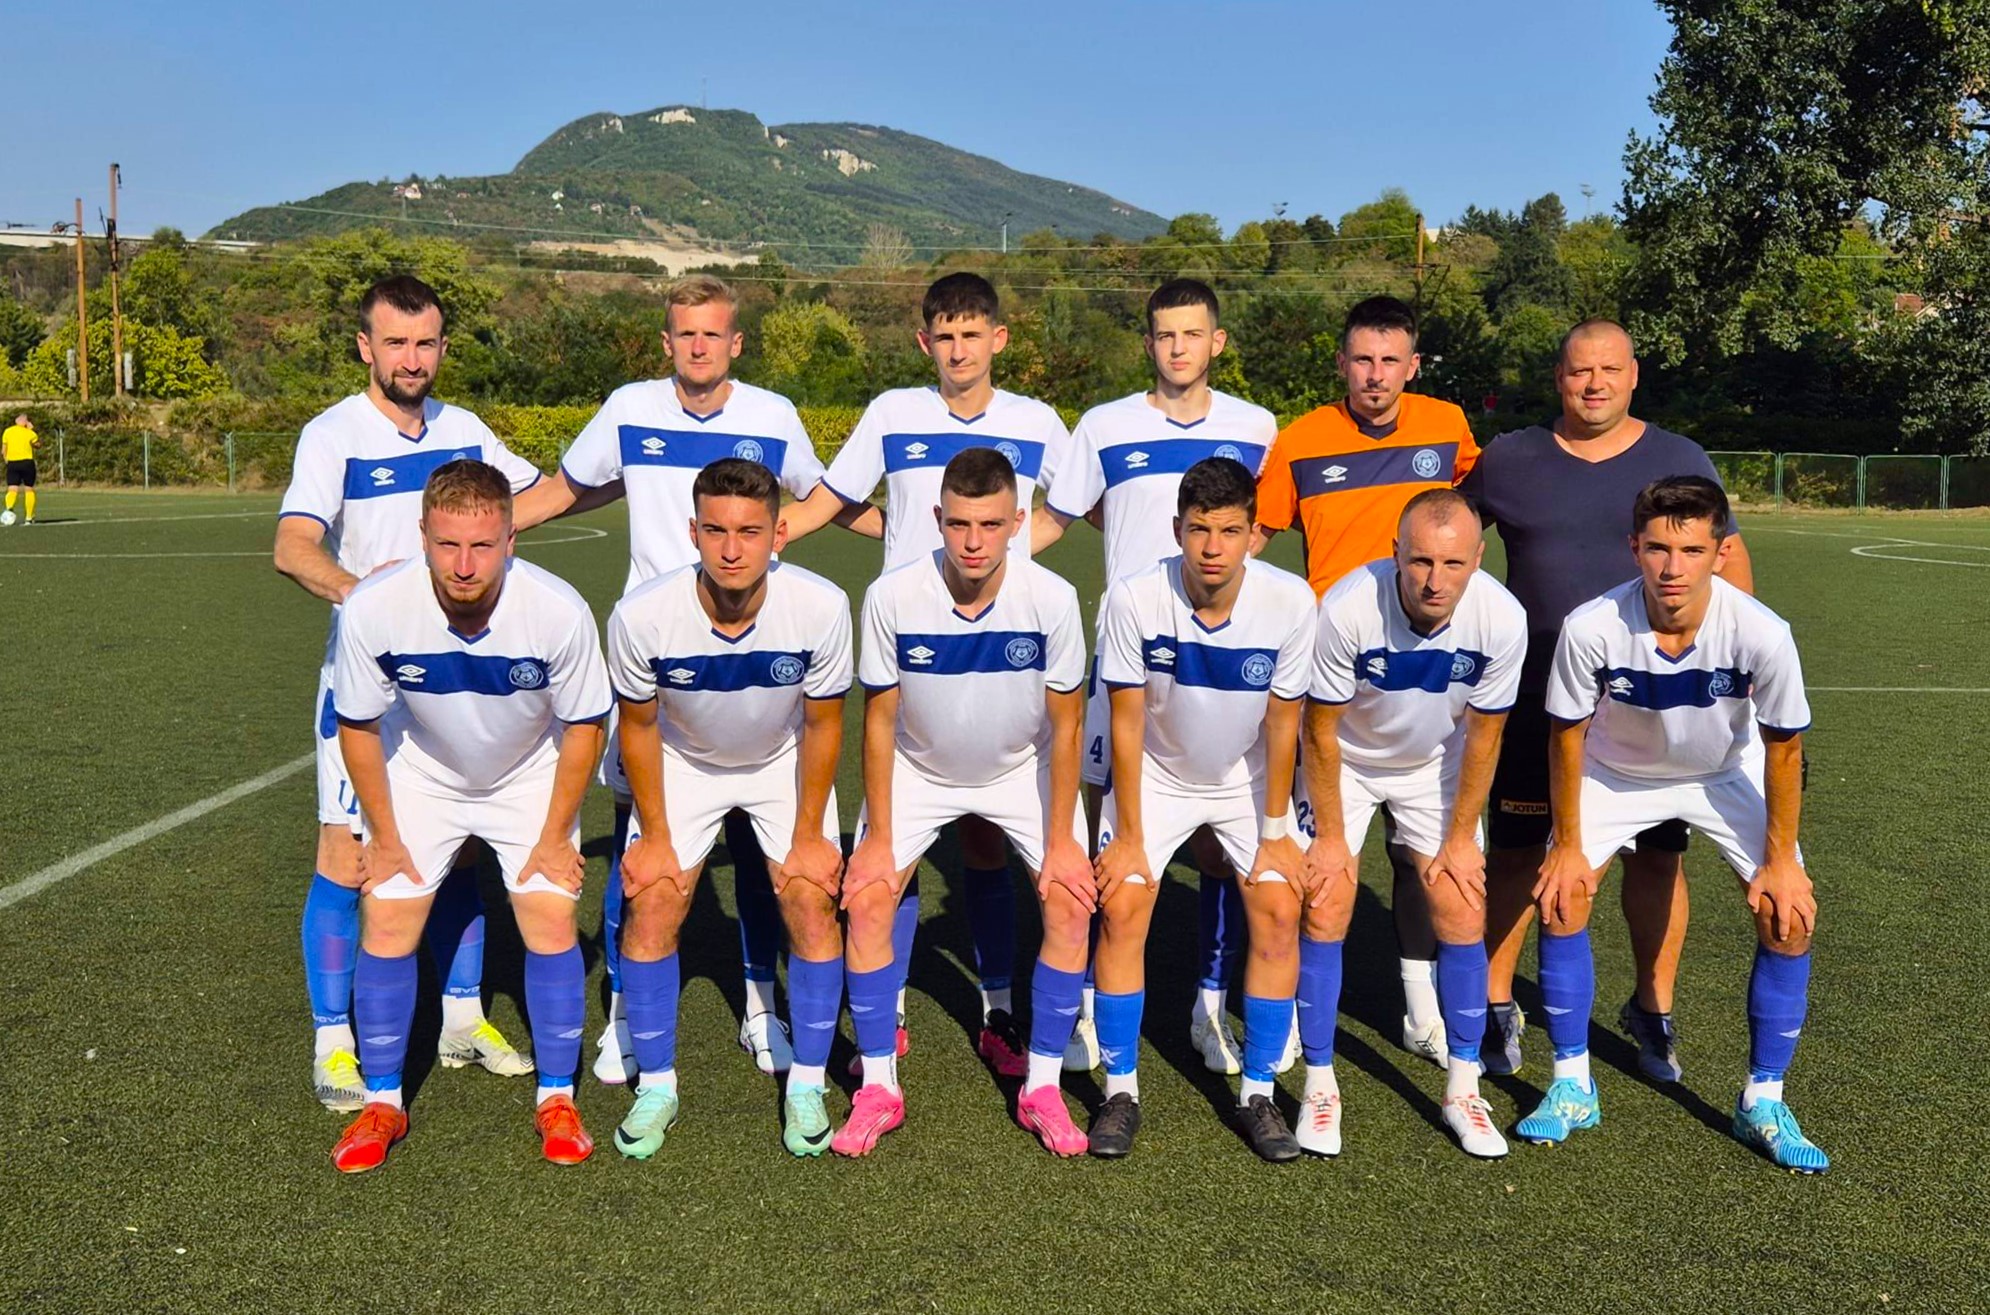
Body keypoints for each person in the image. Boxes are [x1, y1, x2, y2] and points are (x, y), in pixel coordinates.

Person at [514, 274, 866, 1085]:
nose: (699, 345)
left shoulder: (772, 415)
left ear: (735, 342)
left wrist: (897, 534)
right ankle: (623, 1014)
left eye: (713, 333)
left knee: (760, 845)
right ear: (666, 341)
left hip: (751, 648)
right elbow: (562, 489)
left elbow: (821, 496)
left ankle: (761, 1005)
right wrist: (484, 531)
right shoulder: (629, 407)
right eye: (686, 333)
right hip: (658, 656)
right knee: (638, 844)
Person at [785, 271, 1071, 1077]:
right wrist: (780, 533)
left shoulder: (1036, 422)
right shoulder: (891, 413)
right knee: (893, 836)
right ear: (924, 342)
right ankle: (894, 1002)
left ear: (998, 339)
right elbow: (832, 496)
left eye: (972, 334)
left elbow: (1078, 504)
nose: (958, 349)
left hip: (998, 647)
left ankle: (997, 1004)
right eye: (944, 336)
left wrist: (1012, 556)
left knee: (983, 836)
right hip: (910, 648)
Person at [1459, 319, 1755, 1081]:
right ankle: (1496, 1003)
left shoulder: (1678, 457)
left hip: (1651, 702)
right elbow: (1450, 535)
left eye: (1609, 370)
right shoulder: (1511, 456)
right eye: (1579, 370)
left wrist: (1737, 670)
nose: (1594, 384)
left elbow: (1729, 559)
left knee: (1654, 857)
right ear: (1558, 376)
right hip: (1535, 695)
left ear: (1634, 375)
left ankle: (1652, 1009)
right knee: (1519, 852)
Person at [275, 275, 542, 1113]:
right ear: (366, 346)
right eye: (395, 342)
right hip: (368, 684)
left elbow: (535, 497)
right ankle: (333, 1041)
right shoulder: (333, 435)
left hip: (454, 683)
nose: (412, 359)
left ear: (443, 348)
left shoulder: (466, 431)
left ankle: (460, 1019)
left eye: (425, 343)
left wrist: (622, 469)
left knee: (459, 845)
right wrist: (365, 596)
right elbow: (292, 546)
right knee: (346, 853)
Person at [1522, 476, 1826, 1173]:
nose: (1672, 567)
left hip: (1723, 772)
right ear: (1634, 547)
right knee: (1562, 897)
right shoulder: (1591, 626)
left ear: (1720, 553)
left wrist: (1781, 860)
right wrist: (1567, 845)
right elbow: (1565, 737)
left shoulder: (1762, 631)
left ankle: (1763, 1100)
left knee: (1788, 916)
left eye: (1691, 550)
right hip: (1615, 772)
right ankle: (1572, 1085)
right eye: (1658, 548)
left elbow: (1784, 749)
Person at [326, 461, 611, 1171]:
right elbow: (358, 726)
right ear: (422, 535)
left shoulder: (558, 610)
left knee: (548, 917)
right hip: (421, 773)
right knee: (388, 920)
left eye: (482, 545)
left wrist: (556, 835)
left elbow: (584, 725)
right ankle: (383, 1102)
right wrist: (382, 835)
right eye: (447, 544)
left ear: (511, 540)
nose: (463, 564)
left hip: (529, 775)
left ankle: (557, 1097)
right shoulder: (374, 607)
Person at [1035, 278, 1281, 1076]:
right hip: (1127, 661)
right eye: (1165, 334)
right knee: (1105, 834)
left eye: (1193, 333)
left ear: (1218, 341)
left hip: (1217, 663)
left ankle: (1208, 1005)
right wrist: (971, 565)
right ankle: (1084, 1000)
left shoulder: (1255, 426)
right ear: (1148, 343)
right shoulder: (1104, 424)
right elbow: (1061, 516)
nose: (1179, 347)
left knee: (1220, 847)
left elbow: (1259, 530)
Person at [837, 448, 1094, 1157]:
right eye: (958, 524)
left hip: (1021, 769)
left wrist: (1063, 841)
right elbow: (879, 721)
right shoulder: (892, 595)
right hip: (920, 769)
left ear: (1017, 521)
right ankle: (878, 1087)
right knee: (867, 896)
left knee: (1070, 901)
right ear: (936, 518)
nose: (973, 541)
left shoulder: (1052, 598)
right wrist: (878, 839)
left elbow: (1068, 724)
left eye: (989, 524)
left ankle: (1042, 1087)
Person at [1255, 294, 1483, 1070]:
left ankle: (1421, 1006)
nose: (1376, 375)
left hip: (1425, 675)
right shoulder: (1300, 440)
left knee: (1423, 859)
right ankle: (1293, 1012)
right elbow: (1256, 534)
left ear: (1412, 366)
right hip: (1335, 679)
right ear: (1341, 364)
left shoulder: (1448, 427)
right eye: (1362, 359)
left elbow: (1473, 515)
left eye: (1390, 360)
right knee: (1321, 861)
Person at [604, 459, 852, 1159]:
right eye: (716, 531)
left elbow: (824, 724)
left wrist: (809, 834)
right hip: (684, 760)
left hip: (780, 758)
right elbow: (639, 728)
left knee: (810, 898)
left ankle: (807, 1084)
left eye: (749, 532)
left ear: (778, 534)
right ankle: (657, 1086)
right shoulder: (641, 615)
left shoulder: (822, 606)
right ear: (693, 533)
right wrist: (655, 836)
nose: (732, 549)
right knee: (654, 897)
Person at [1088, 458, 1313, 1162]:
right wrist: (1129, 835)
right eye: (1199, 530)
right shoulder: (1133, 597)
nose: (1213, 547)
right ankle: (1119, 1090)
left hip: (1247, 778)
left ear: (1254, 533)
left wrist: (1274, 833)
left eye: (1230, 531)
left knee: (1278, 908)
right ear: (1176, 529)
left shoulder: (1291, 601)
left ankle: (1258, 1093)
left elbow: (1284, 724)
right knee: (1123, 903)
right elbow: (1126, 721)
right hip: (1157, 773)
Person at [1300, 490, 1524, 1160]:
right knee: (1325, 902)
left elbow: (1485, 737)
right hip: (1349, 761)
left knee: (1462, 905)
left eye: (1453, 563)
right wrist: (1332, 840)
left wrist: (1460, 839)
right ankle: (1318, 1084)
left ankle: (1462, 1088)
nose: (1434, 579)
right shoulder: (1347, 607)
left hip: (1435, 765)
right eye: (1421, 560)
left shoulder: (1501, 618)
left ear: (1478, 558)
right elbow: (1320, 730)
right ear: (1395, 552)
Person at [4, 415, 39, 525]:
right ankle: (29, 517)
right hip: (27, 463)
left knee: (12, 489)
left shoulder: (8, 431)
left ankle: (9, 509)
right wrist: (32, 430)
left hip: (12, 463)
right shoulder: (30, 433)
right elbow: (37, 445)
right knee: (29, 489)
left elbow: (4, 450)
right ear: (26, 423)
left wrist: (6, 460)